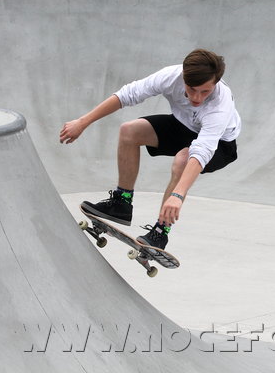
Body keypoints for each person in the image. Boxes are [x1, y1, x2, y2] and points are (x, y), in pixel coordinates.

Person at [59, 49, 241, 250]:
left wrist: (178, 195)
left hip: (221, 144)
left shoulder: (220, 105)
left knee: (183, 159)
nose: (197, 97)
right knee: (130, 131)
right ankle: (122, 203)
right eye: (191, 89)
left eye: (205, 91)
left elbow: (203, 150)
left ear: (215, 84)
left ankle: (161, 231)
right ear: (183, 77)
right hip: (184, 126)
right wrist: (82, 122)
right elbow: (128, 94)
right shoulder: (171, 76)